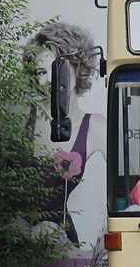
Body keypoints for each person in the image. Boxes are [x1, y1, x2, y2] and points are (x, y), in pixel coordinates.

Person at [27, 22, 106, 252]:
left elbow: (134, 186)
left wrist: (100, 248)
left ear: (77, 67)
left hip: (63, 246)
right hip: (15, 250)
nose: (51, 80)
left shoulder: (94, 126)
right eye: (42, 72)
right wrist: (26, 233)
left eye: (57, 69)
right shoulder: (20, 117)